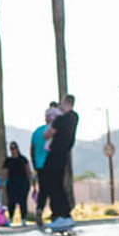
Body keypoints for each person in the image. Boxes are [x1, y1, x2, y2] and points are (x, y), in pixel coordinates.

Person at [41, 95, 79, 227]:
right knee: (58, 183)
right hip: (64, 153)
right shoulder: (74, 117)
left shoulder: (61, 119)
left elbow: (46, 134)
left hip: (56, 153)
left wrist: (52, 121)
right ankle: (63, 213)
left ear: (66, 103)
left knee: (53, 183)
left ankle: (61, 214)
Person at [30, 104, 61, 226]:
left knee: (43, 189)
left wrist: (35, 165)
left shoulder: (36, 132)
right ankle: (55, 214)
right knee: (54, 189)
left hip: (39, 165)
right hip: (51, 164)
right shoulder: (54, 131)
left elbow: (32, 150)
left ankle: (39, 210)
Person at [1, 141, 33, 226]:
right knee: (11, 201)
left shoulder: (23, 159)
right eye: (11, 148)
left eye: (14, 148)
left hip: (23, 182)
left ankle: (23, 218)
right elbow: (5, 172)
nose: (13, 150)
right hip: (12, 183)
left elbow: (28, 170)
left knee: (23, 201)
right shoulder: (8, 160)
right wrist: (2, 181)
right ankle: (11, 218)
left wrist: (32, 181)